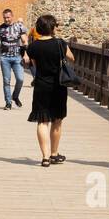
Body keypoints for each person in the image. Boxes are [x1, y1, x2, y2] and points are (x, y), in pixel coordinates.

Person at [25, 14, 73, 167]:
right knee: (57, 120)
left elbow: (34, 64)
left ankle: (45, 157)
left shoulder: (33, 46)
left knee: (42, 121)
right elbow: (72, 58)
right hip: (58, 86)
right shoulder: (60, 43)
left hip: (41, 86)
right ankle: (54, 153)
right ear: (52, 28)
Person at [0, 8, 28, 110]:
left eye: (8, 17)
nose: (6, 19)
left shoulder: (19, 27)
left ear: (12, 16)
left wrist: (26, 54)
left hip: (17, 57)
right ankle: (8, 102)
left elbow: (25, 41)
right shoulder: (0, 29)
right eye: (5, 18)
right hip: (4, 58)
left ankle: (15, 96)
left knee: (20, 79)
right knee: (6, 81)